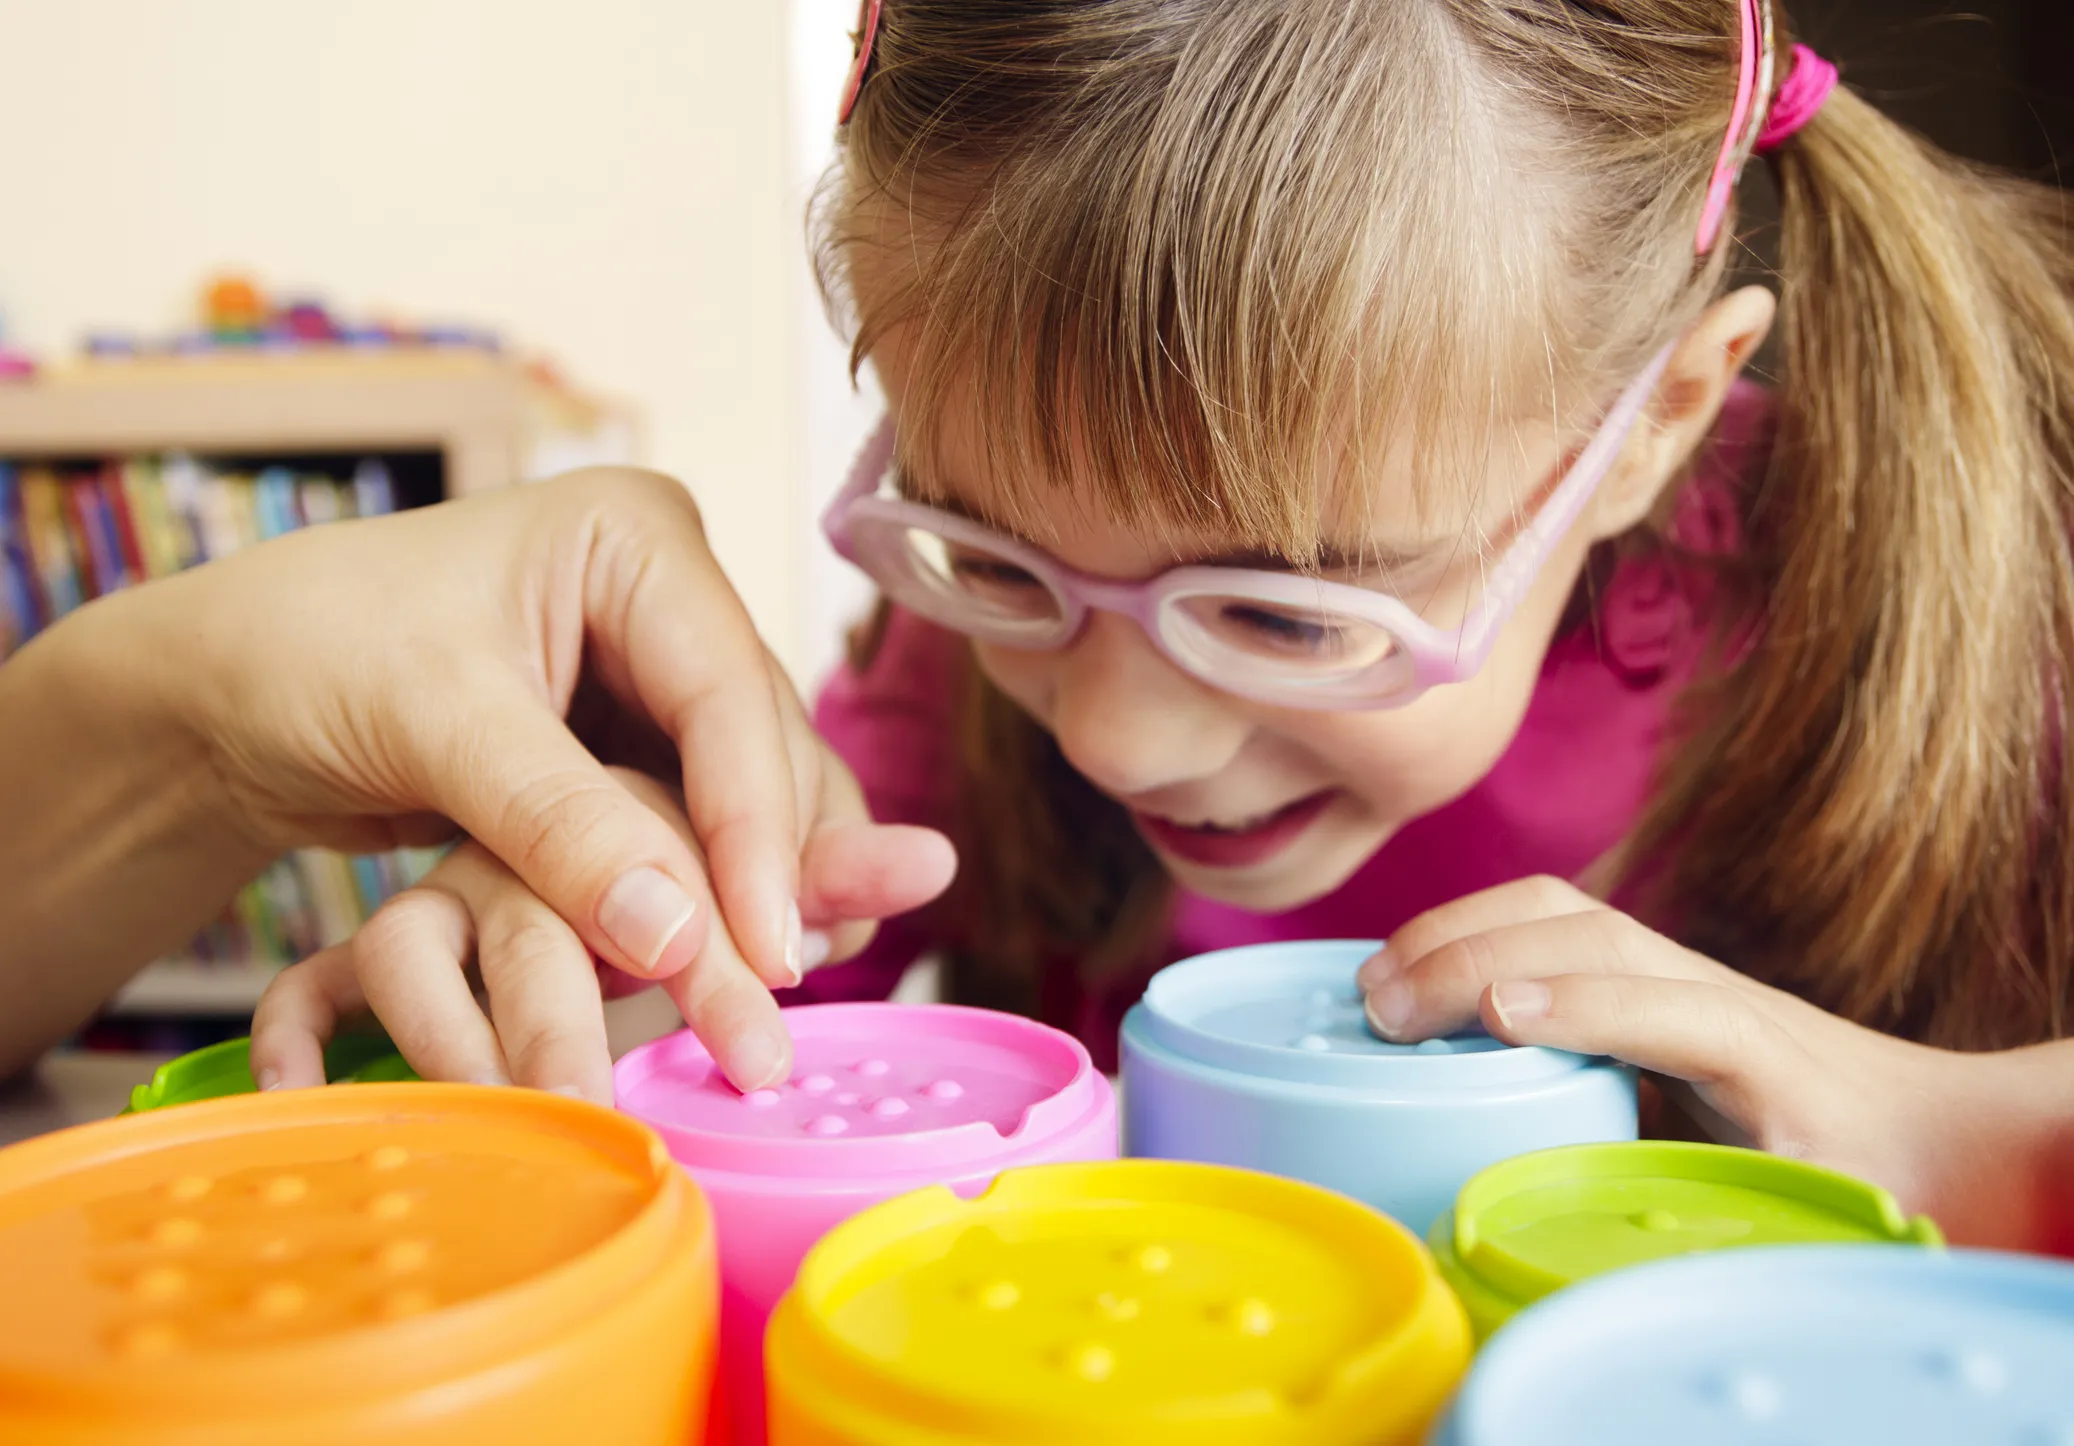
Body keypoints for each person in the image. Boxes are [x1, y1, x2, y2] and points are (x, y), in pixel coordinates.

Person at [261, 0, 2074, 1252]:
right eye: (986, 550)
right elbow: (781, 921)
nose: (1114, 735)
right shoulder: (955, 670)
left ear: (1657, 418)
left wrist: (1960, 1125)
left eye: (1285, 610)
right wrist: (619, 914)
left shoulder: (1990, 584)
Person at [0, 468, 954, 1098]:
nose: (1106, 739)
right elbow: (767, 1035)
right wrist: (631, 839)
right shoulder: (916, 710)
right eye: (993, 556)